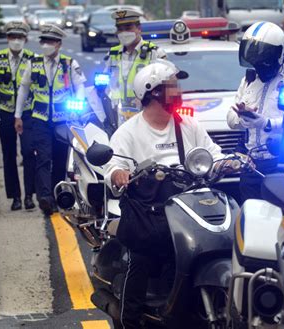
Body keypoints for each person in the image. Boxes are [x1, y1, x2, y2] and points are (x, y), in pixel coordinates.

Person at [104, 60, 227, 329]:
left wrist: (227, 162)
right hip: (148, 210)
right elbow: (113, 165)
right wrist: (118, 174)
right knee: (141, 255)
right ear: (154, 92)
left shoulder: (188, 125)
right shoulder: (129, 132)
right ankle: (131, 319)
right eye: (172, 86)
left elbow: (213, 153)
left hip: (187, 205)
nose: (179, 91)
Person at [227, 21, 284, 202]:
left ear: (279, 55)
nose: (259, 67)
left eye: (263, 61)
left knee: (280, 217)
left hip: (281, 163)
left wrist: (267, 123)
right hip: (251, 164)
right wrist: (244, 117)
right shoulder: (250, 80)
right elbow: (230, 119)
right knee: (251, 216)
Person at [15, 24, 86, 216]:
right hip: (40, 120)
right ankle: (45, 197)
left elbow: (80, 86)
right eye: (43, 41)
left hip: (63, 121)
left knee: (59, 159)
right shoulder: (34, 63)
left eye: (50, 41)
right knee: (43, 159)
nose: (45, 45)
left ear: (58, 44)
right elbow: (23, 89)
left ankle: (54, 197)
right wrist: (18, 115)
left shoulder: (70, 64)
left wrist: (78, 104)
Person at [0, 21, 36, 211]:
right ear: (7, 38)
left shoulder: (33, 58)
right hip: (4, 111)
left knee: (29, 152)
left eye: (19, 37)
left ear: (25, 39)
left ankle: (30, 195)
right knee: (8, 154)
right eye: (12, 37)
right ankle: (16, 197)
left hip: (28, 113)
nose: (16, 41)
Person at [104, 9, 166, 126]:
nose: (123, 32)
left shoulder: (154, 53)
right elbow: (107, 84)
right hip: (119, 117)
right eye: (120, 29)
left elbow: (165, 87)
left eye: (128, 28)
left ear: (139, 28)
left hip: (147, 116)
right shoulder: (112, 54)